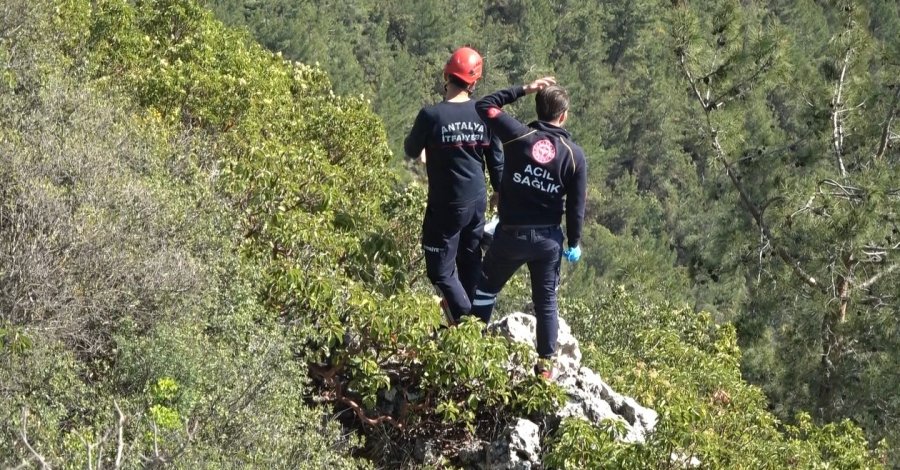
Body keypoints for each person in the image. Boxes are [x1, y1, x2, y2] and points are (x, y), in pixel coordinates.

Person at [469, 77, 587, 379]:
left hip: (510, 235)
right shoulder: (574, 155)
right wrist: (574, 242)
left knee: (486, 289)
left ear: (538, 108)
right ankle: (545, 368)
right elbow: (576, 207)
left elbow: (485, 105)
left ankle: (470, 346)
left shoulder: (518, 135)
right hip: (547, 241)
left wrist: (524, 89)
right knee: (546, 303)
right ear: (563, 115)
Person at [403, 46, 504, 325]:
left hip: (446, 205)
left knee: (440, 272)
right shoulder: (485, 114)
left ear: (446, 75)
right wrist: (499, 192)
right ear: (474, 82)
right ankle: (475, 322)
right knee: (470, 260)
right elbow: (496, 161)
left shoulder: (431, 116)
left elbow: (411, 149)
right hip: (476, 201)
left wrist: (428, 144)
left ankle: (467, 323)